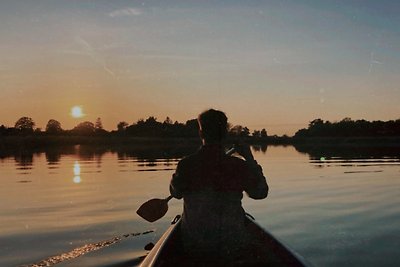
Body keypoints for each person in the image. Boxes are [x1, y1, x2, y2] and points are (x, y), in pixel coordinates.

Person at [169, 108, 268, 263]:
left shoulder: (186, 165)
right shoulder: (238, 166)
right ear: (225, 134)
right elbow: (260, 193)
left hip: (195, 247)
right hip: (233, 246)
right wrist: (249, 158)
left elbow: (175, 193)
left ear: (201, 134)